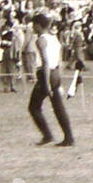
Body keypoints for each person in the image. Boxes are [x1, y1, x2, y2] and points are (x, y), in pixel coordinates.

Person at [28, 13, 74, 146]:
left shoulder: (40, 40)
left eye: (33, 25)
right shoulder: (54, 39)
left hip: (45, 74)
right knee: (58, 107)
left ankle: (47, 135)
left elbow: (45, 62)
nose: (33, 28)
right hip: (55, 74)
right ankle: (68, 137)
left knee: (34, 107)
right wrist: (58, 82)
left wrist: (47, 83)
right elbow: (59, 61)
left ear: (38, 25)